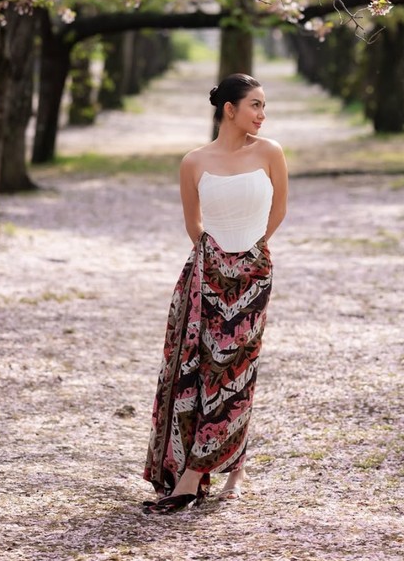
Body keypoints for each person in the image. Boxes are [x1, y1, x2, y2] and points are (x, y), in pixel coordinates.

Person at [142, 73, 289, 515]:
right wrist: (218, 260)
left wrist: (252, 254)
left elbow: (279, 207)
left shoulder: (270, 152)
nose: (263, 114)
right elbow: (194, 224)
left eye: (264, 106)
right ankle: (198, 467)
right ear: (230, 109)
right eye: (255, 106)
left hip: (252, 273)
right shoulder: (194, 161)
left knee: (238, 370)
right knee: (199, 369)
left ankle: (208, 473)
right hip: (206, 273)